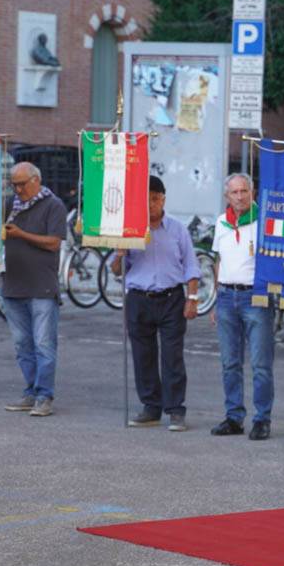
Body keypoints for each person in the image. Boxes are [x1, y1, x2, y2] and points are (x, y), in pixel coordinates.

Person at [111, 175, 201, 432]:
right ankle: (151, 407)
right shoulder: (130, 230)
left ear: (163, 199)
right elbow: (118, 270)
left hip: (172, 298)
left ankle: (175, 409)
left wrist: (192, 298)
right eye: (146, 200)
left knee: (172, 356)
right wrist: (119, 254)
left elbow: (191, 265)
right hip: (139, 298)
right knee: (143, 355)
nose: (150, 204)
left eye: (155, 199)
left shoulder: (177, 229)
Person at [209, 173, 275, 440]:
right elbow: (218, 261)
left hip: (255, 297)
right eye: (234, 192)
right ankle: (234, 416)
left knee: (260, 363)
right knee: (229, 363)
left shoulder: (264, 221)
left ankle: (262, 418)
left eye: (244, 191)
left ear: (253, 192)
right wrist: (215, 299)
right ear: (227, 196)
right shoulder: (222, 222)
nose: (239, 196)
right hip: (226, 296)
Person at [1, 162, 68, 417]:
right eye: (14, 184)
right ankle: (30, 391)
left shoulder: (54, 205)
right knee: (22, 344)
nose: (18, 190)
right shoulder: (11, 206)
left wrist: (21, 234)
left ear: (36, 180)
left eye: (22, 184)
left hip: (42, 287)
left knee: (43, 344)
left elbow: (53, 243)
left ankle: (44, 395)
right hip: (13, 284)